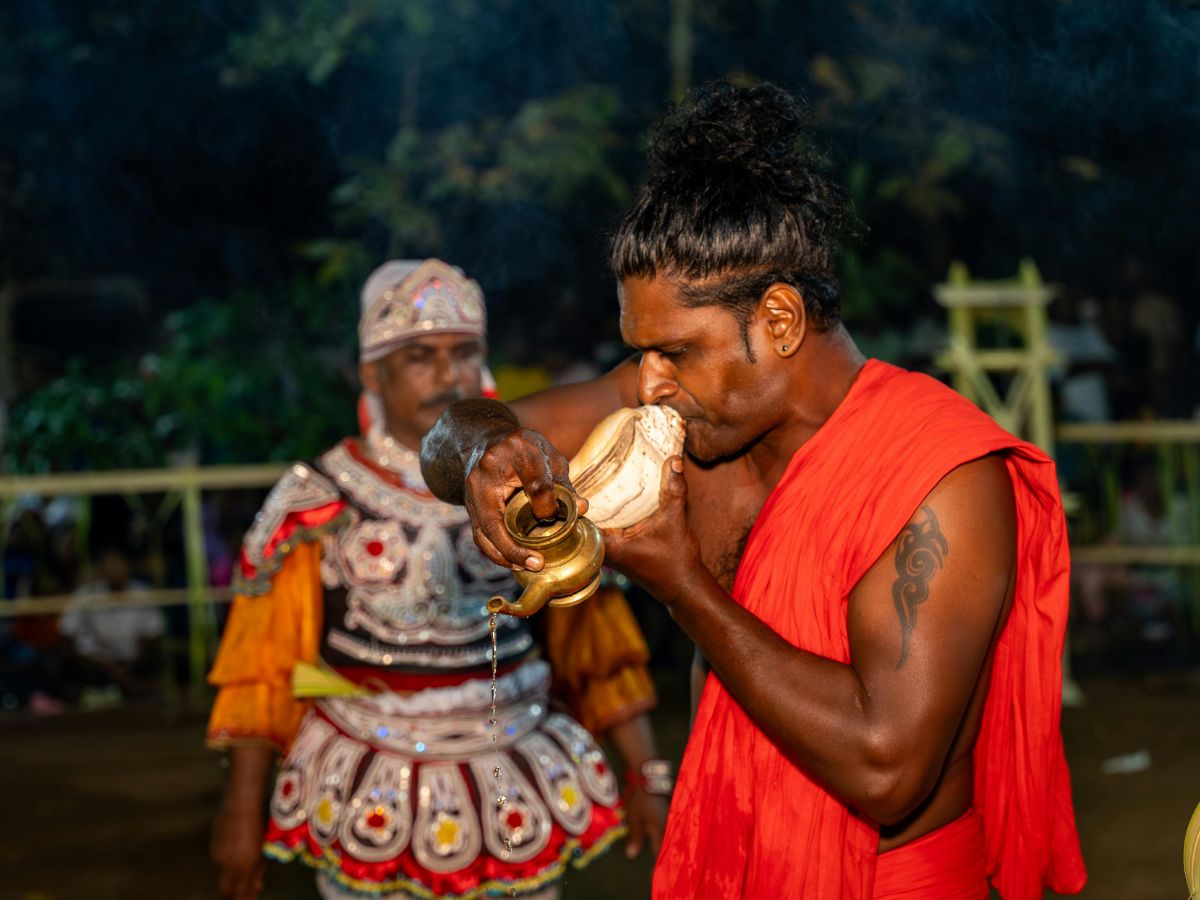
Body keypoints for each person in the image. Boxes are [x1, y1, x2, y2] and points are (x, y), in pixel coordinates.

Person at [421, 83, 1087, 898]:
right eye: (641, 354)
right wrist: (488, 452)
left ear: (778, 320)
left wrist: (682, 587)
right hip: (733, 864)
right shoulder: (691, 411)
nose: (649, 383)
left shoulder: (941, 479)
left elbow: (888, 769)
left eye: (674, 352)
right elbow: (448, 434)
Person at [207, 258, 668, 900]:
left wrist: (645, 773)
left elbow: (596, 640)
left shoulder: (532, 489)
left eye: (463, 352)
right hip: (363, 772)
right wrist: (240, 808)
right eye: (420, 356)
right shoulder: (316, 502)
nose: (446, 373)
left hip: (514, 767)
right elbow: (261, 668)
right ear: (372, 372)